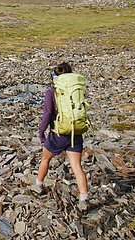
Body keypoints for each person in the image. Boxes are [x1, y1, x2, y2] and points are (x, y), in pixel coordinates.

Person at [36, 62, 89, 209]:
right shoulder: (75, 91)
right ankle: (84, 197)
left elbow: (47, 113)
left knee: (45, 159)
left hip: (58, 133)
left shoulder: (52, 92)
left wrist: (41, 132)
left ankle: (39, 184)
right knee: (77, 166)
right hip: (75, 131)